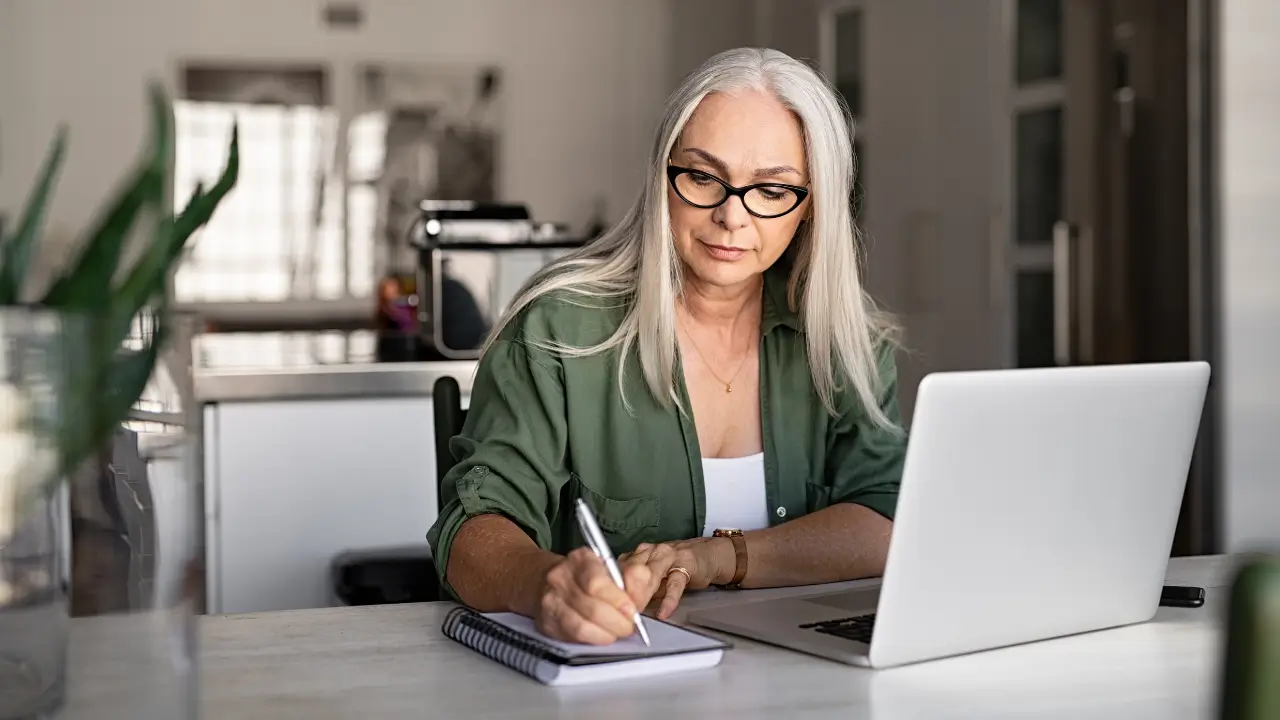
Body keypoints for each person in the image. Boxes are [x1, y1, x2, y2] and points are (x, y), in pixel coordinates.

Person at [427, 47, 907, 645]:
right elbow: (472, 529)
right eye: (704, 177)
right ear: (663, 177)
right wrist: (544, 584)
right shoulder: (557, 327)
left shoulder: (845, 338)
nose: (733, 217)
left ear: (811, 208)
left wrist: (713, 558)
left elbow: (887, 520)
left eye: (772, 189)